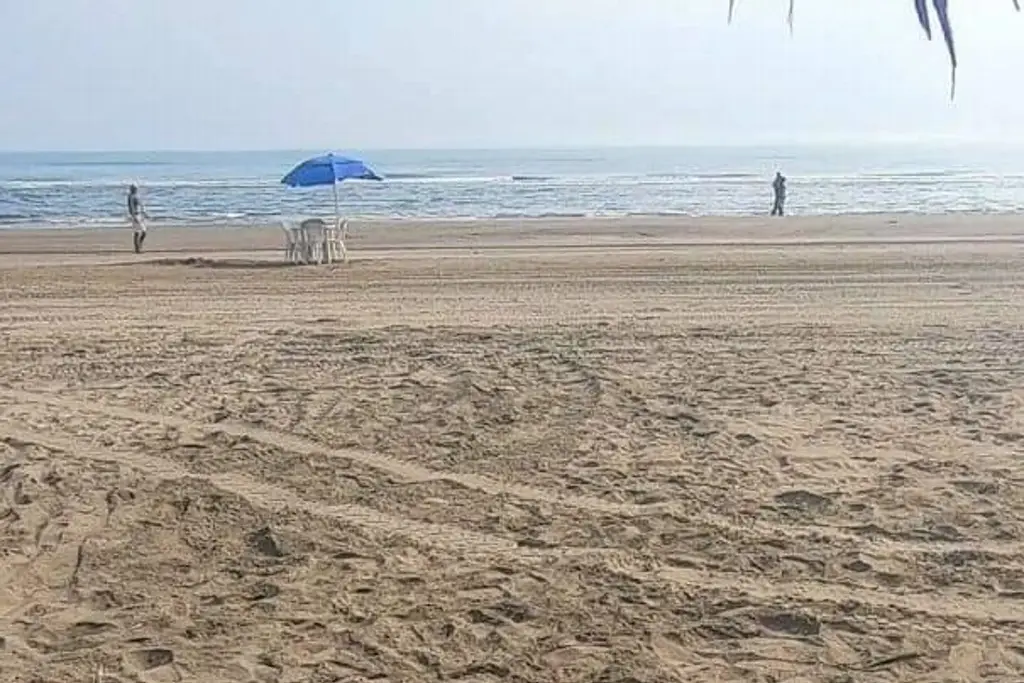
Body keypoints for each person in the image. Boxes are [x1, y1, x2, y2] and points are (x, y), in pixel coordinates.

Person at [127, 184, 150, 253]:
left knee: (143, 231)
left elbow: (140, 205)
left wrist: (144, 213)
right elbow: (132, 207)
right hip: (136, 215)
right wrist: (134, 216)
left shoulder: (136, 196)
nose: (136, 190)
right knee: (138, 231)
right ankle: (137, 248)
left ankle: (139, 245)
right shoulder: (131, 197)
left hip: (139, 214)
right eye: (135, 188)